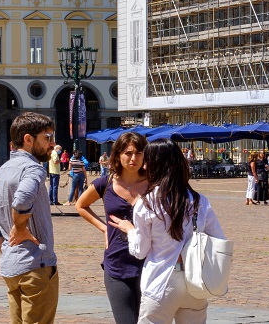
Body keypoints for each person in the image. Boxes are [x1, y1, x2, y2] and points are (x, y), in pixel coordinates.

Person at [108, 139, 226, 324]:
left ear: (155, 165)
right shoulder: (199, 201)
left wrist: (130, 230)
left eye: (147, 161)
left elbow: (140, 251)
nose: (144, 166)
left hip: (161, 281)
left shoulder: (147, 203)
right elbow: (218, 239)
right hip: (194, 282)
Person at [0, 112, 58, 324]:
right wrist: (20, 226)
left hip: (11, 268)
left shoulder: (1, 172)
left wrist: (10, 249)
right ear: (28, 139)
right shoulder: (33, 168)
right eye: (47, 137)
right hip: (36, 266)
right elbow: (23, 199)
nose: (51, 144)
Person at [76, 132, 148, 324]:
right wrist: (103, 228)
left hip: (150, 264)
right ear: (117, 155)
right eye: (128, 153)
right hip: (117, 263)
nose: (134, 158)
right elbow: (80, 205)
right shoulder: (106, 182)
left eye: (139, 153)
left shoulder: (154, 183)